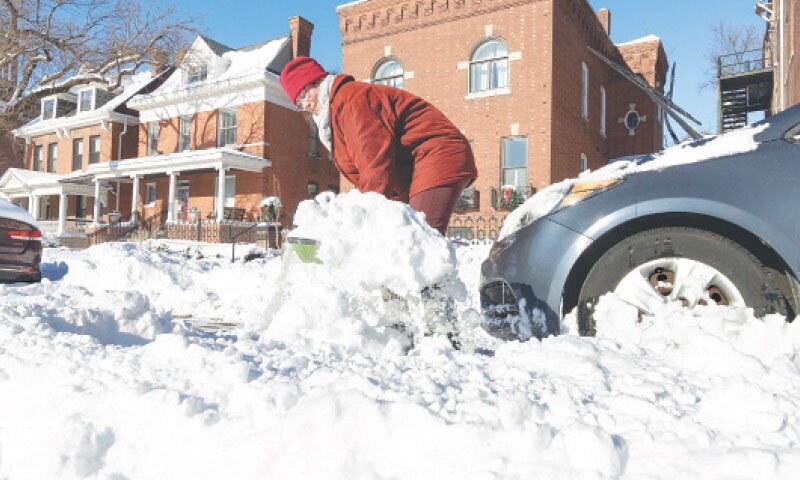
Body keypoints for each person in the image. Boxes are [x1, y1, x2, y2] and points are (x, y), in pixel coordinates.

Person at [279, 56, 478, 236]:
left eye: (304, 95)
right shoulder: (336, 112)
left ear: (317, 82)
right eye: (298, 102)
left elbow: (374, 163)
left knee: (419, 239)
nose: (305, 104)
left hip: (437, 154)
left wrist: (366, 215)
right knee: (398, 239)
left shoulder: (351, 100)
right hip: (417, 166)